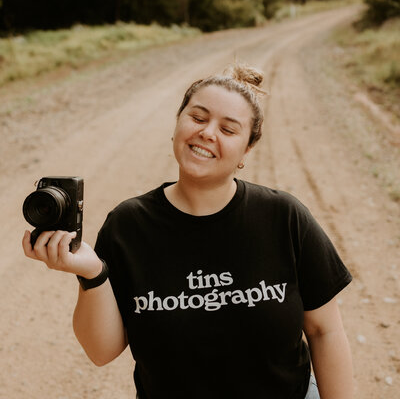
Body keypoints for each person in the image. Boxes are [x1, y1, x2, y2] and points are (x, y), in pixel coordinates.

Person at [23, 63, 354, 399]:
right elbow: (101, 351)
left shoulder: (284, 217)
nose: (208, 133)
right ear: (177, 124)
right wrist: (92, 274)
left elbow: (324, 330)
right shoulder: (128, 225)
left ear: (246, 150)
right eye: (198, 118)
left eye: (228, 129)